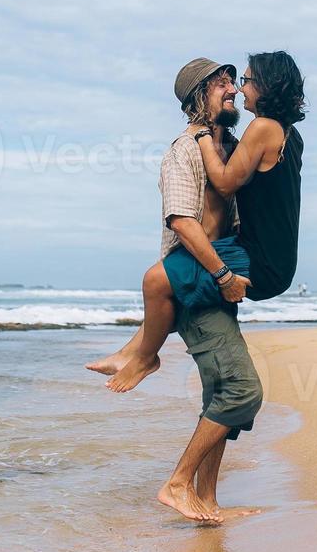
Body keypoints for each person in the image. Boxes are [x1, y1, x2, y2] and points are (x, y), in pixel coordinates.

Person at [86, 52, 305, 393]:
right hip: (257, 260)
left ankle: (144, 358)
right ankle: (135, 352)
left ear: (267, 86)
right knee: (227, 392)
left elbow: (226, 184)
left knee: (155, 281)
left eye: (242, 81)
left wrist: (204, 137)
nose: (237, 88)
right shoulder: (193, 149)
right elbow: (183, 221)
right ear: (200, 95)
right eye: (225, 83)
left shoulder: (250, 136)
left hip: (251, 259)